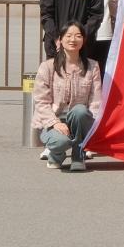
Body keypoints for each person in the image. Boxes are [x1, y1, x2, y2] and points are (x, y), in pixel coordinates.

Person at [32, 21, 101, 171]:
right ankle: (57, 154)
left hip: (80, 121)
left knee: (80, 111)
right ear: (60, 40)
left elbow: (96, 102)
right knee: (60, 142)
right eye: (68, 36)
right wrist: (55, 123)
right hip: (53, 121)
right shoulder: (47, 67)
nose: (73, 40)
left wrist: (92, 128)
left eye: (78, 36)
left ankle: (78, 155)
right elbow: (41, 102)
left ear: (83, 40)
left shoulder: (93, 66)